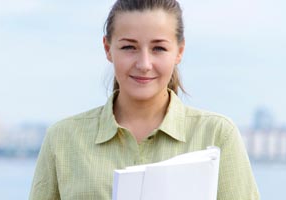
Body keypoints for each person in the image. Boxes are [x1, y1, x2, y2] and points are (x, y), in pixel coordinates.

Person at [29, 0, 260, 199]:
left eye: (158, 48)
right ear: (108, 49)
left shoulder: (218, 134)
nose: (144, 64)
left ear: (179, 51)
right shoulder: (62, 139)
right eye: (129, 47)